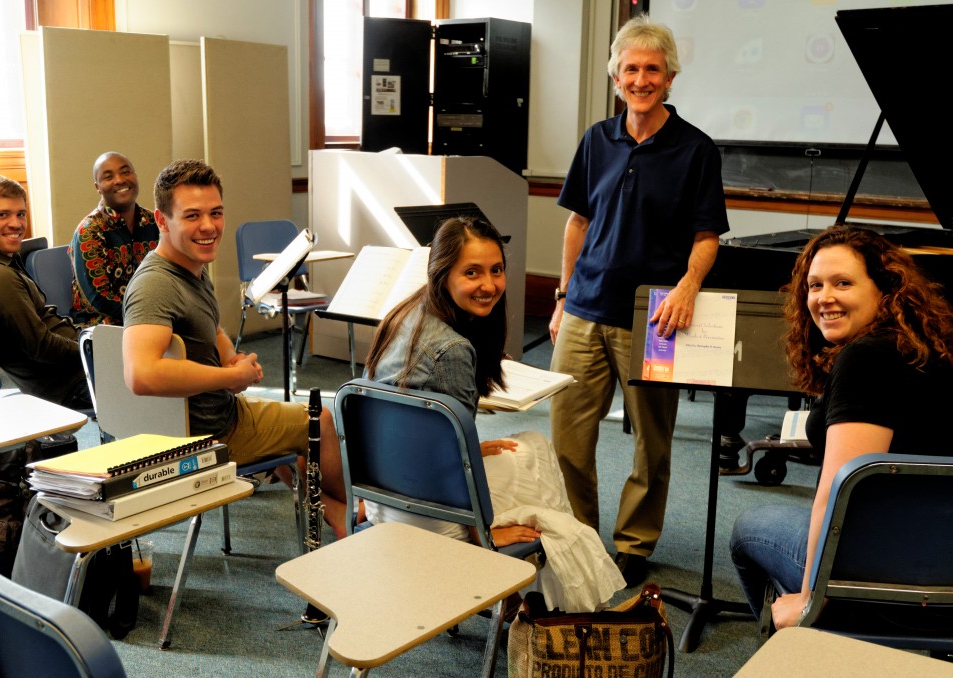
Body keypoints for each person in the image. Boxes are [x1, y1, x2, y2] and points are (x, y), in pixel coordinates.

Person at [364, 215, 624, 613]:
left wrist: (467, 447)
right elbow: (456, 476)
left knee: (520, 451)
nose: (489, 285)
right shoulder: (451, 350)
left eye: (496, 270)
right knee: (534, 453)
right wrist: (484, 534)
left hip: (384, 501)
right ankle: (547, 608)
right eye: (472, 272)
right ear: (441, 273)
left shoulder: (404, 314)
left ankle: (525, 602)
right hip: (433, 517)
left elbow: (410, 431)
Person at [548, 14, 728, 585]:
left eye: (653, 69)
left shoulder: (696, 150)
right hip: (583, 308)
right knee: (566, 434)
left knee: (652, 442)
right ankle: (579, 534)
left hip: (653, 315)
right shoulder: (596, 140)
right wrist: (560, 296)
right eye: (631, 68)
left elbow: (706, 236)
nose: (641, 78)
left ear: (670, 76)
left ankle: (634, 544)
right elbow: (577, 222)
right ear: (616, 76)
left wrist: (688, 286)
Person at [730, 225, 953, 627]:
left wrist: (812, 599)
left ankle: (812, 639)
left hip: (884, 564)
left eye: (843, 283)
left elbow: (839, 493)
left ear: (884, 289)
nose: (824, 298)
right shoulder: (924, 344)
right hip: (939, 549)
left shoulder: (866, 360)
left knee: (750, 527)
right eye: (814, 286)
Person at [121, 159, 350, 537]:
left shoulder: (192, 263)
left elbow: (208, 324)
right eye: (192, 215)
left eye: (216, 213)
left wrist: (228, 353)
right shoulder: (156, 285)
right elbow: (141, 374)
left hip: (219, 413)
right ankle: (347, 514)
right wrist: (230, 376)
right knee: (321, 421)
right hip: (210, 433)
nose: (208, 226)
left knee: (297, 446)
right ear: (162, 221)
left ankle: (321, 500)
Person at [0, 174, 92, 410]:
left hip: (74, 367)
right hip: (69, 384)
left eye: (20, 214)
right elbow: (42, 347)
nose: (17, 224)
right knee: (166, 381)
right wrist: (96, 350)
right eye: (2, 215)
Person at [70, 152, 160, 326]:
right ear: (98, 187)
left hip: (151, 317)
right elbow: (99, 299)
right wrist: (147, 316)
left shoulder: (155, 223)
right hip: (101, 325)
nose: (120, 180)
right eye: (108, 177)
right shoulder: (90, 231)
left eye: (126, 172)